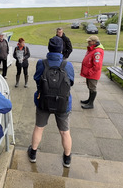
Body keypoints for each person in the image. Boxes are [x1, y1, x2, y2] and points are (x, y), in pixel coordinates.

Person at [28, 36, 75, 168]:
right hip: (63, 105)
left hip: (43, 102)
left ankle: (33, 154)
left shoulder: (41, 63)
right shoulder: (68, 65)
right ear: (61, 49)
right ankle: (67, 159)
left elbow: (37, 79)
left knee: (39, 128)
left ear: (49, 48)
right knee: (65, 132)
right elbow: (71, 82)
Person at [80, 35, 104, 109]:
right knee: (90, 87)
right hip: (89, 74)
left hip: (93, 74)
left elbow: (97, 66)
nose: (88, 42)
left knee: (92, 88)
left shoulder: (97, 52)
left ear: (94, 42)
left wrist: (90, 72)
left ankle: (91, 104)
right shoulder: (92, 49)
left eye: (89, 41)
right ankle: (89, 100)